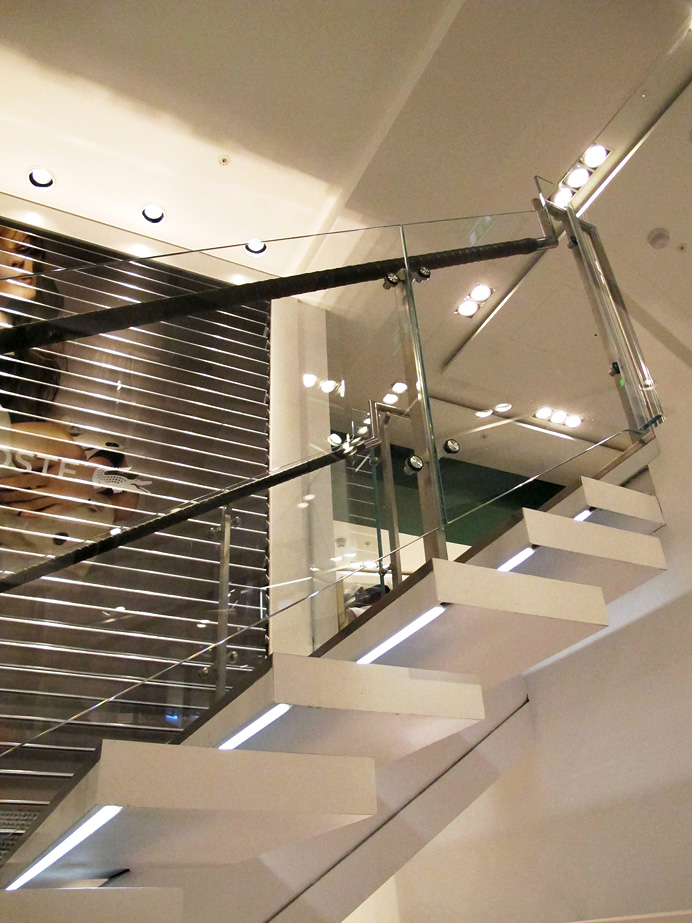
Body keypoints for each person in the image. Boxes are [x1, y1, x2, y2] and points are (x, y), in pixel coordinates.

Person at [0, 226, 138, 561]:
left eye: (27, 250)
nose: (20, 261)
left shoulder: (27, 356)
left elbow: (127, 493)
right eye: (4, 248)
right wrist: (65, 453)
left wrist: (89, 475)